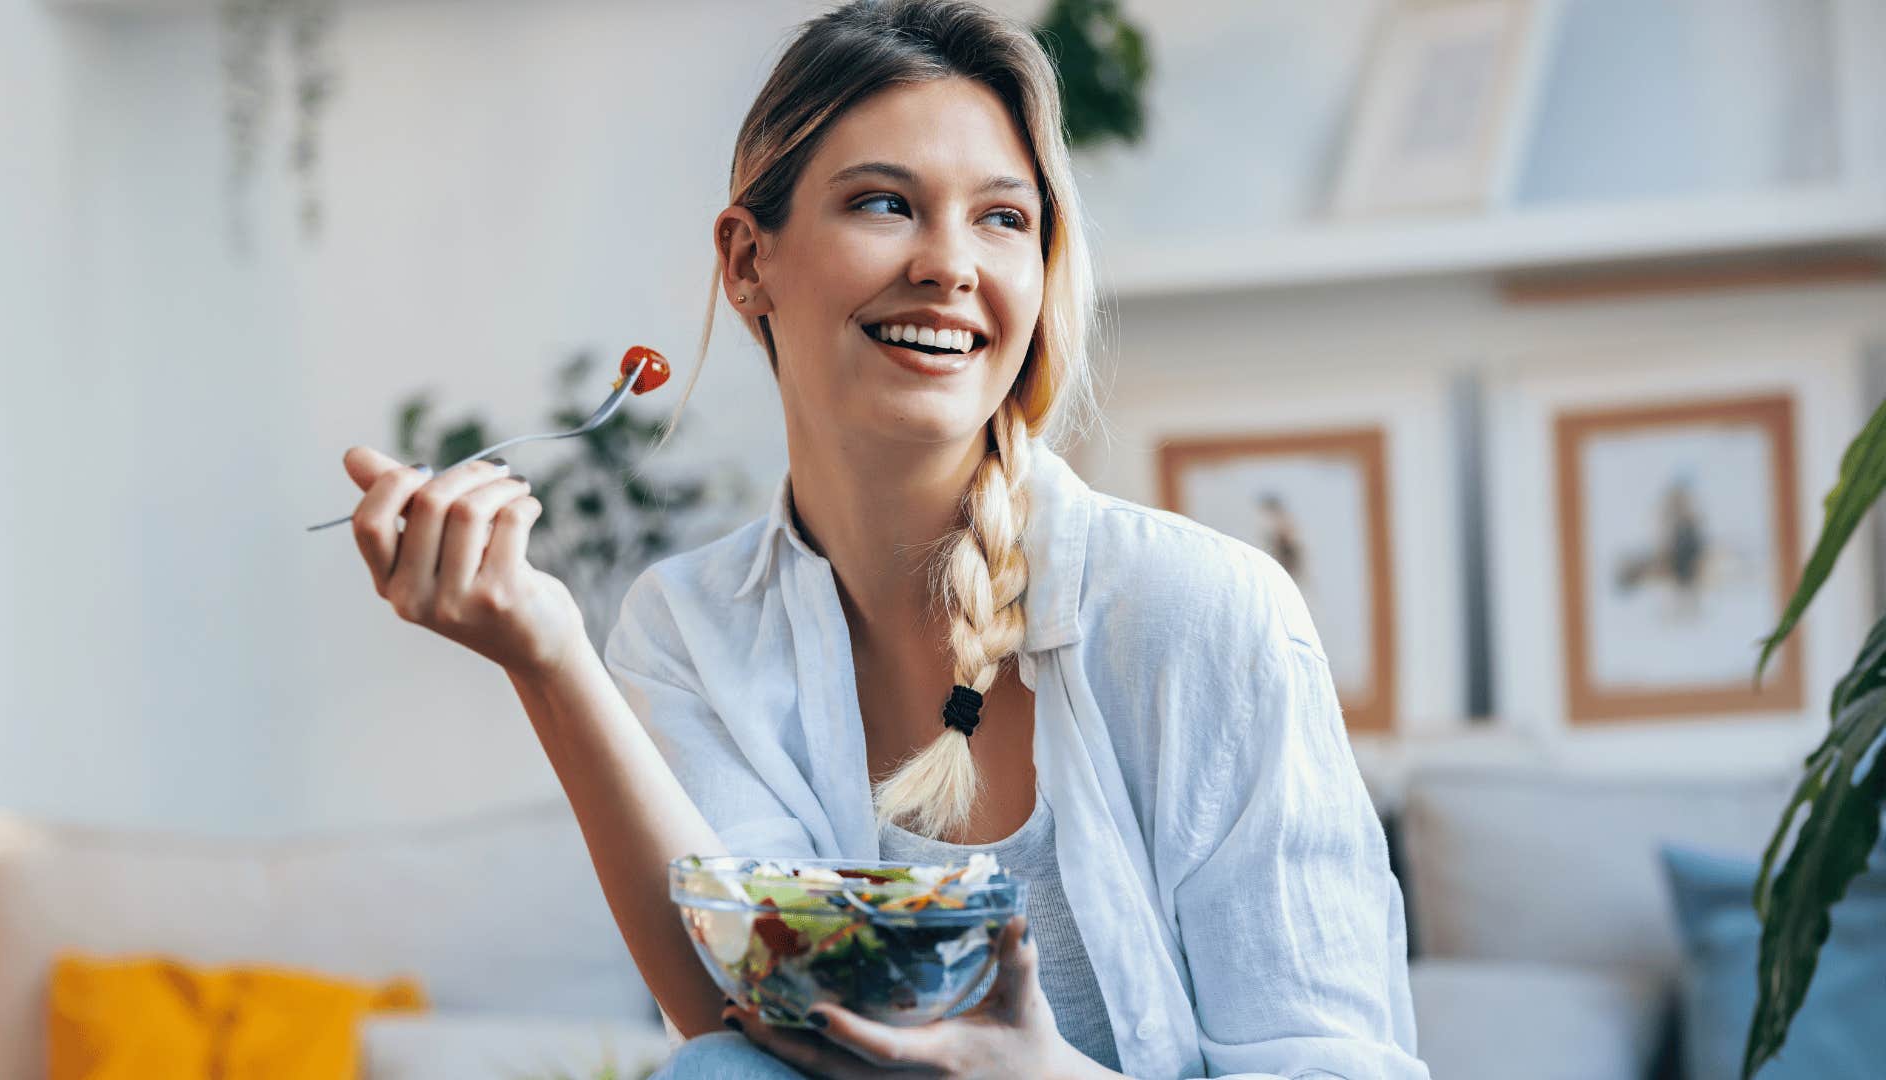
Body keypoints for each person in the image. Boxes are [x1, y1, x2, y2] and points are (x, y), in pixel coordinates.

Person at [338, 2, 1427, 1076]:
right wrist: (547, 653)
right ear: (748, 260)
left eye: (1002, 218)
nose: (949, 263)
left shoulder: (1205, 614)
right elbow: (740, 1013)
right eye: (883, 204)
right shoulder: (689, 628)